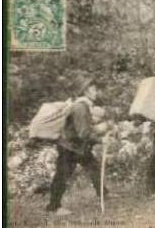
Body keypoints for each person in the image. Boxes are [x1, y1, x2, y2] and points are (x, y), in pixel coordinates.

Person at [46, 74, 108, 215]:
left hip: (78, 147)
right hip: (69, 148)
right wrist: (100, 139)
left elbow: (85, 129)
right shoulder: (80, 107)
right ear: (86, 91)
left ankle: (103, 194)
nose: (96, 92)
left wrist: (99, 131)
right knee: (62, 175)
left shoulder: (84, 105)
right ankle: (53, 207)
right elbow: (83, 133)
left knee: (94, 167)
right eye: (93, 89)